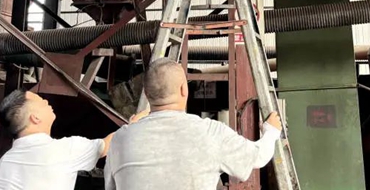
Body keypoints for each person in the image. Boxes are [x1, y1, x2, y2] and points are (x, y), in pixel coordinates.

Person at [104, 59, 283, 190]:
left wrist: (131, 130)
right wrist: (271, 130)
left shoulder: (119, 139)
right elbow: (259, 156)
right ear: (184, 89)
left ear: (146, 93)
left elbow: (111, 186)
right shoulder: (211, 133)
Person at [0, 89, 146, 190]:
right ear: (35, 118)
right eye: (41, 101)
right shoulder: (63, 150)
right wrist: (134, 124)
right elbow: (106, 146)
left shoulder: (5, 162)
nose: (46, 102)